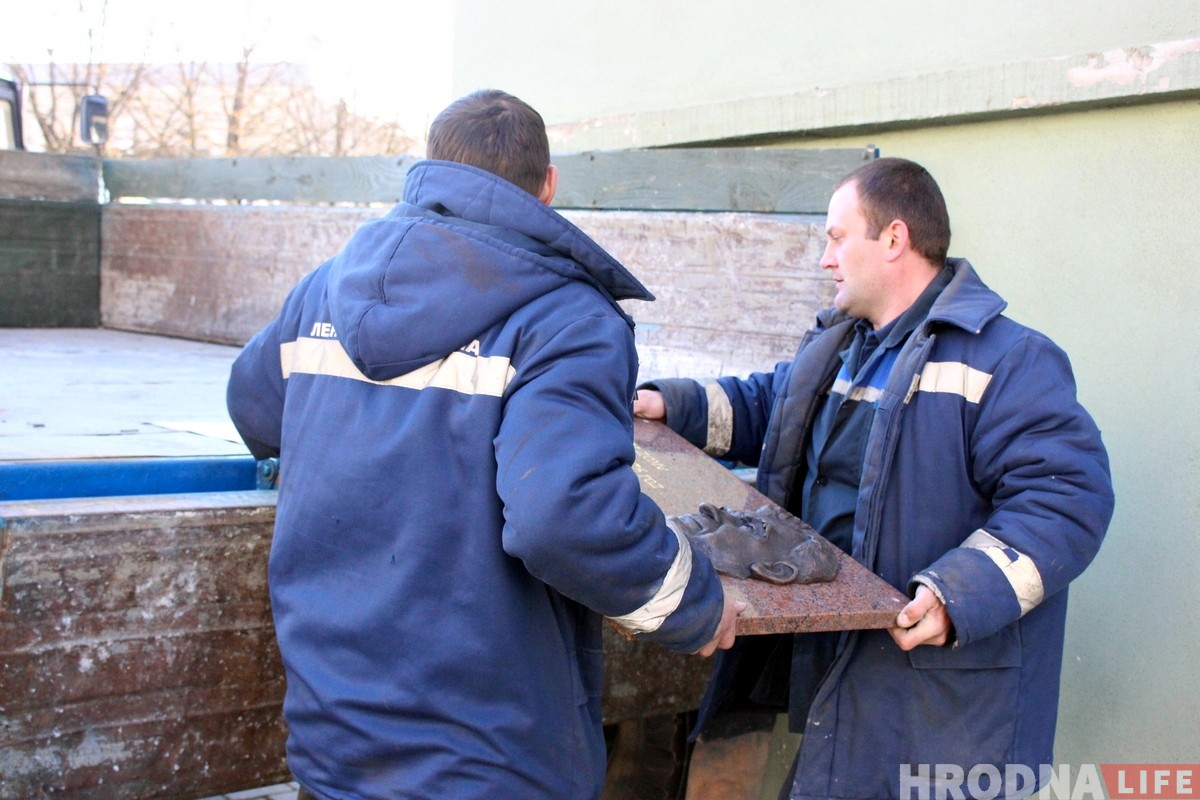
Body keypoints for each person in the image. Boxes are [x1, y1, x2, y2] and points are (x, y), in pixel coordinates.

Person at [226, 89, 741, 800]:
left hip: (334, 746)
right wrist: (693, 602)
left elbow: (253, 409)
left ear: (430, 170)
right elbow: (562, 516)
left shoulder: (323, 292)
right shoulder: (567, 317)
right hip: (492, 762)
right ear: (547, 185)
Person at [634, 157, 1114, 800]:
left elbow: (1067, 499)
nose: (825, 259)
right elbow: (773, 407)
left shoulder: (1010, 360)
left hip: (937, 702)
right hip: (842, 670)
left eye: (837, 237)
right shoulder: (843, 344)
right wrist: (673, 406)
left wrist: (956, 594)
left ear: (893, 238)